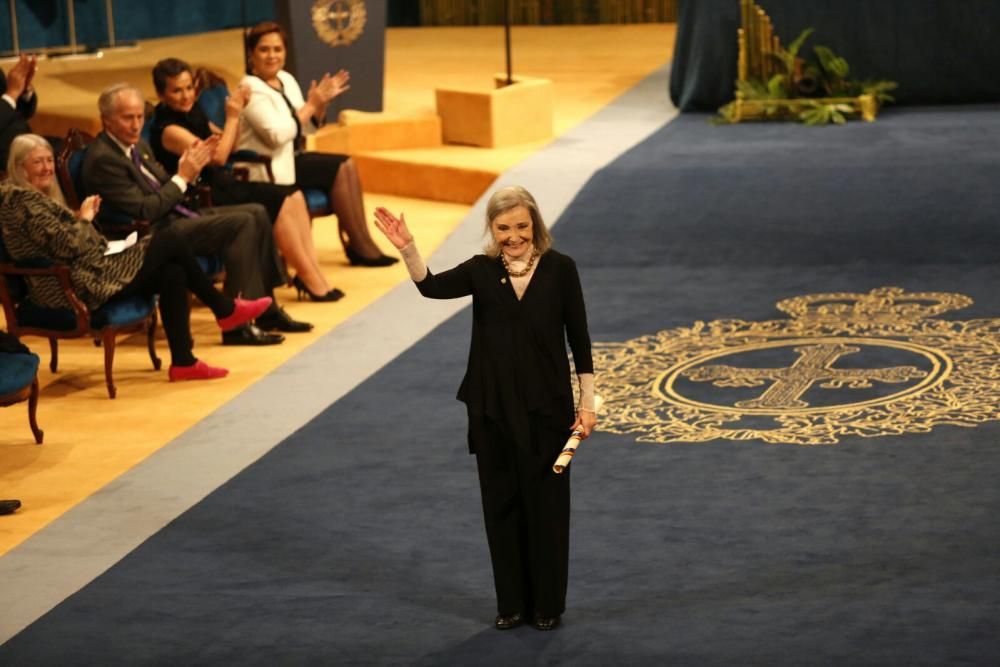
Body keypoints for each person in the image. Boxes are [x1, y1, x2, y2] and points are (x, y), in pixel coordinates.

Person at [373, 186, 597, 631]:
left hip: (548, 410)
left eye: (521, 226)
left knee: (547, 510)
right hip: (491, 410)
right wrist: (408, 248)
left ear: (535, 223)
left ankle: (547, 605)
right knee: (501, 506)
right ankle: (511, 603)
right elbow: (432, 288)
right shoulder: (480, 271)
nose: (513, 236)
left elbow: (580, 339)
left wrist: (587, 404)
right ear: (491, 229)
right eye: (503, 228)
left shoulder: (561, 270)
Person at [81, 83, 307, 343]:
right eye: (127, 118)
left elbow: (166, 184)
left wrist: (190, 167)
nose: (136, 125)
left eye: (140, 117)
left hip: (176, 216)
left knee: (257, 211)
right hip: (153, 235)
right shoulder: (103, 159)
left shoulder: (138, 146)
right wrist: (182, 176)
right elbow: (147, 210)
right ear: (106, 121)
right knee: (242, 221)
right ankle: (235, 324)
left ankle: (267, 310)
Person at [0, 179, 273, 381]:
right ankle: (224, 309)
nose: (47, 167)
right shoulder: (19, 202)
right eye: (37, 163)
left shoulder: (24, 199)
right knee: (169, 239)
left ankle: (184, 362)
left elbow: (65, 243)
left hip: (93, 268)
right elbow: (69, 245)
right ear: (18, 167)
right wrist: (84, 218)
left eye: (49, 159)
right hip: (79, 285)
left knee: (173, 273)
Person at [150, 57, 343, 302]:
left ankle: (312, 272)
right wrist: (231, 118)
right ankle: (309, 279)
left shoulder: (192, 111)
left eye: (189, 88)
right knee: (279, 202)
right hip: (204, 194)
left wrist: (238, 115)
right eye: (176, 90)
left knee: (294, 195)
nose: (186, 95)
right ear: (160, 93)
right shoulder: (168, 129)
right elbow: (218, 157)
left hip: (223, 182)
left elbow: (230, 143)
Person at [239, 21, 398, 268]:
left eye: (278, 49)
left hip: (293, 156)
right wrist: (311, 105)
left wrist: (320, 104)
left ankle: (361, 243)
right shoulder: (249, 89)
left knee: (346, 164)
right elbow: (277, 136)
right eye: (264, 50)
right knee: (339, 166)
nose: (272, 56)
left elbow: (308, 127)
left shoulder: (286, 79)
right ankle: (361, 247)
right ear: (251, 54)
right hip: (269, 166)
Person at [0, 54, 38, 168]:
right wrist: (12, 94)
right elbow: (8, 99)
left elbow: (22, 112)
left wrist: (23, 89)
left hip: (22, 142)